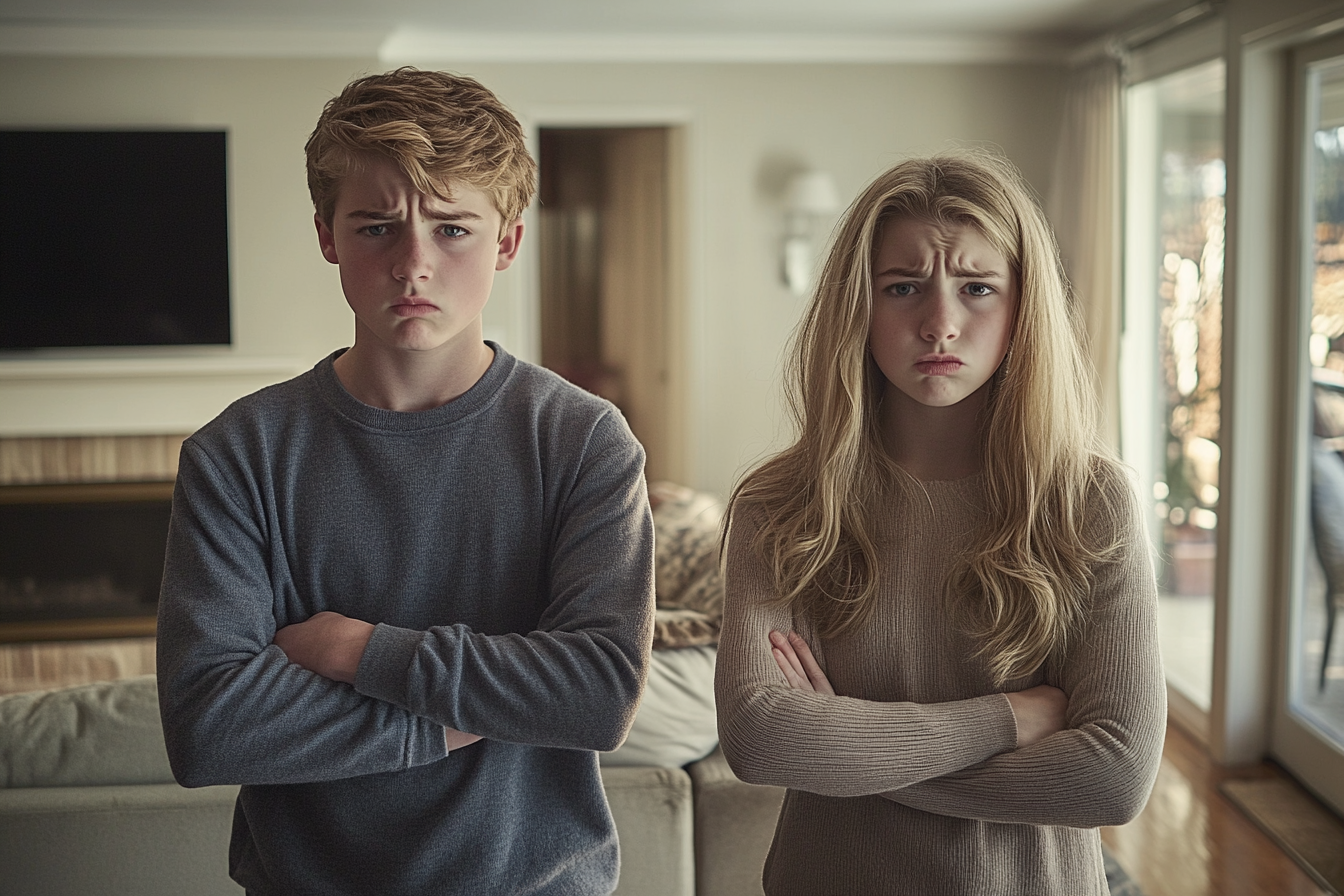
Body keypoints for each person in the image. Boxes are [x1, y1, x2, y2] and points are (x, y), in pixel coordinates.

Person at [156, 68, 655, 896]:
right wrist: (467, 715)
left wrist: (356, 650)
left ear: (507, 241)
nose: (414, 265)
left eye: (452, 229)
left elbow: (598, 694)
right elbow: (209, 728)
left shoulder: (583, 441)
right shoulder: (237, 454)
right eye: (378, 227)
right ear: (327, 235)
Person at [714, 153, 1166, 895]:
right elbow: (764, 739)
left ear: (1024, 309)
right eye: (903, 287)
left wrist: (853, 751)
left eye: (978, 287)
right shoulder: (782, 502)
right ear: (857, 306)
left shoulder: (1089, 501)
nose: (940, 323)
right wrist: (1010, 718)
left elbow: (1111, 780)